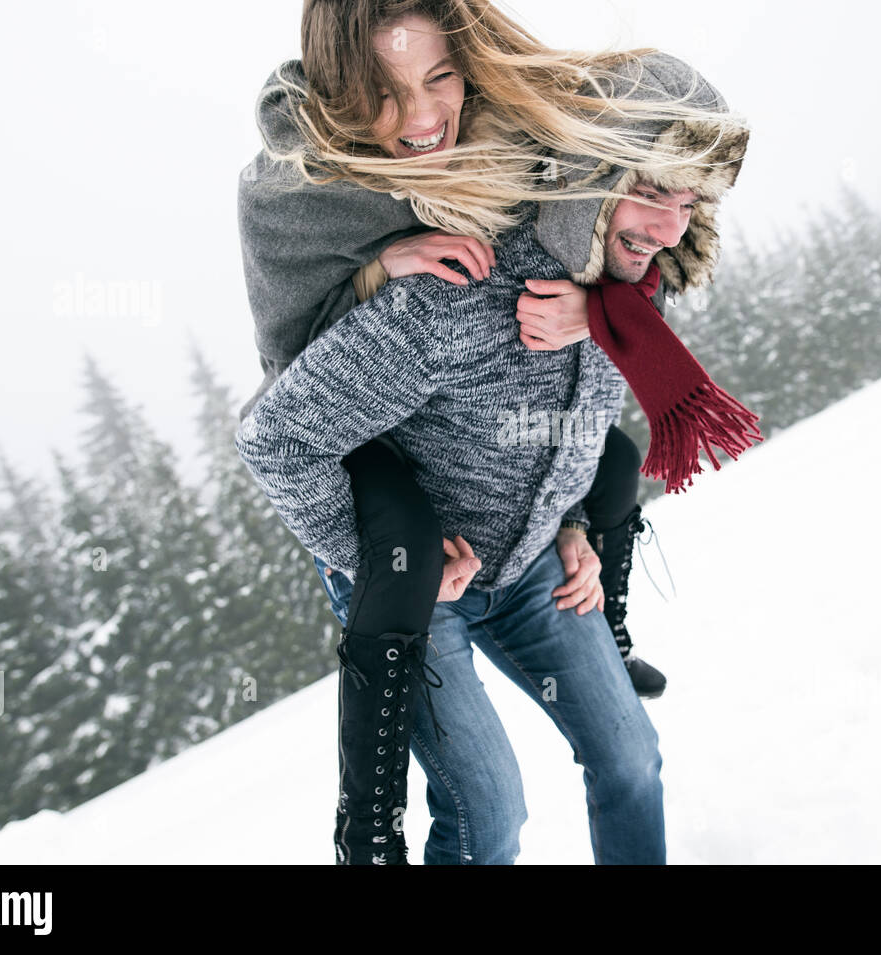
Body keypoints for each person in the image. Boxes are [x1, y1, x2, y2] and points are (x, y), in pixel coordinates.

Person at [237, 0, 742, 863]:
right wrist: (391, 565)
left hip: (537, 562)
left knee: (630, 760)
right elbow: (276, 438)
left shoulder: (604, 289)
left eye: (687, 203)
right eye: (651, 194)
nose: (670, 228)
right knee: (488, 814)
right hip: (417, 580)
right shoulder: (440, 286)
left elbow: (577, 408)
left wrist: (576, 519)